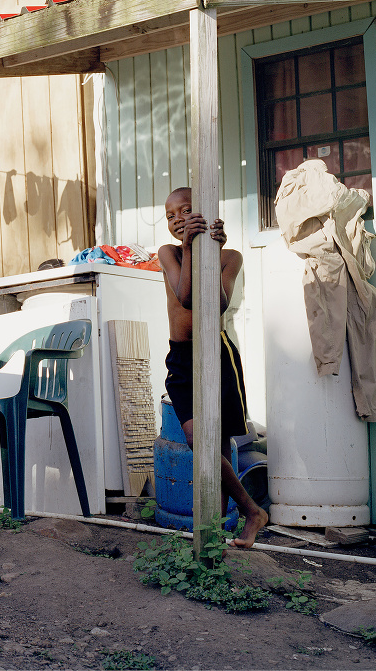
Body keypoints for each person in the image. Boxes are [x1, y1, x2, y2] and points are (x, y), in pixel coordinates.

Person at [157, 187, 269, 549]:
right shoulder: (170, 253)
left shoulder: (230, 257)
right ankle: (252, 510)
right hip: (181, 357)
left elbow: (215, 305)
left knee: (217, 445)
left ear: (204, 213)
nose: (177, 220)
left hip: (216, 353)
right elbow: (187, 296)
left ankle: (216, 534)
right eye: (171, 215)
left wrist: (213, 250)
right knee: (195, 438)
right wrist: (190, 248)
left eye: (185, 211)